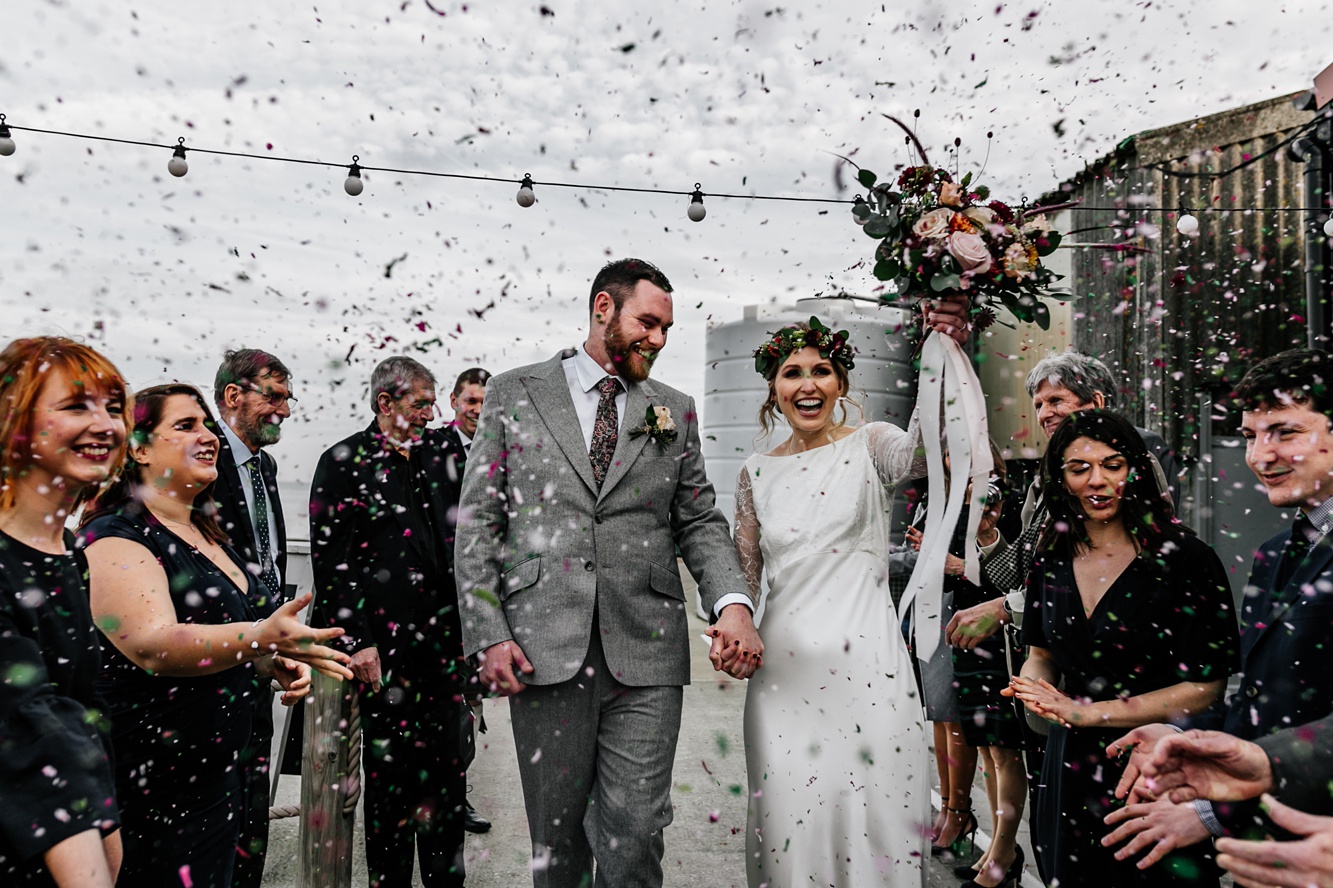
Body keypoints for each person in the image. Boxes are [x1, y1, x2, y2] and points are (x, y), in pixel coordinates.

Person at [454, 258, 763, 888]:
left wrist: (732, 602)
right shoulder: (516, 392)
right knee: (557, 837)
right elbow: (479, 522)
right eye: (648, 322)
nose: (659, 339)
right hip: (542, 650)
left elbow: (699, 520)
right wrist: (487, 632)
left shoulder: (673, 409)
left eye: (668, 328)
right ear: (603, 309)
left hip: (647, 650)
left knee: (636, 829)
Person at [733, 298, 972, 887]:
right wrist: (728, 628)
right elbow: (742, 578)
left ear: (841, 381)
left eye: (821, 371)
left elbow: (922, 455)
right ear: (773, 390)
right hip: (784, 682)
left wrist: (939, 353)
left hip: (870, 674)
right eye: (792, 372)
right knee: (792, 823)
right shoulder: (754, 473)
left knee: (878, 822)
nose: (808, 384)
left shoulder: (872, 442)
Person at [80, 384, 351, 888]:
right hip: (149, 782)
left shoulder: (210, 532)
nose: (208, 437)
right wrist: (258, 636)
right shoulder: (115, 536)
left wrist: (269, 660)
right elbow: (153, 644)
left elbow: (227, 634)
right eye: (185, 426)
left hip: (219, 776)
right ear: (137, 447)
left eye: (207, 425)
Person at [1102, 348, 1333, 866]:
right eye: (1251, 435)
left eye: (1285, 432)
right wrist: (1188, 736)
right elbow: (1265, 697)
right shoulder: (1272, 554)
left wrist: (1212, 812)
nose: (1259, 456)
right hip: (1269, 851)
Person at [1004, 408, 1237, 887]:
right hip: (1067, 766)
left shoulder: (1187, 560)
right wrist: (1035, 688)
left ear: (1134, 468)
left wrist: (1093, 713)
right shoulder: (1051, 556)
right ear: (1060, 478)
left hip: (1155, 765)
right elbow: (1042, 652)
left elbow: (1206, 687)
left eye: (1112, 465)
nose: (1097, 480)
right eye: (1079, 468)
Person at [309, 356, 470, 888]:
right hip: (384, 657)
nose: (431, 412)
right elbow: (333, 563)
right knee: (391, 785)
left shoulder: (446, 452)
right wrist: (359, 641)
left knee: (448, 776)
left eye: (432, 402)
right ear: (385, 403)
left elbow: (471, 541)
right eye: (421, 403)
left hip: (446, 651)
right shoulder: (342, 461)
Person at [0, 337, 127, 886]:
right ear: (13, 420)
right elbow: (28, 724)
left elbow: (80, 705)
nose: (106, 424)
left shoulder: (68, 554)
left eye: (114, 406)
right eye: (77, 406)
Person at [210, 348, 296, 887]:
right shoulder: (200, 459)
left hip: (260, 665)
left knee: (251, 800)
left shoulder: (263, 465)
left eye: (289, 399)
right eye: (274, 397)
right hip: (212, 660)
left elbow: (267, 560)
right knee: (214, 809)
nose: (284, 411)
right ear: (234, 396)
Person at [442, 366, 493, 835]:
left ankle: (458, 798)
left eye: (485, 401)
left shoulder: (505, 450)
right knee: (443, 708)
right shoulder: (434, 450)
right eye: (470, 401)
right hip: (440, 599)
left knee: (470, 708)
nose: (477, 410)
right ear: (454, 400)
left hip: (481, 600)